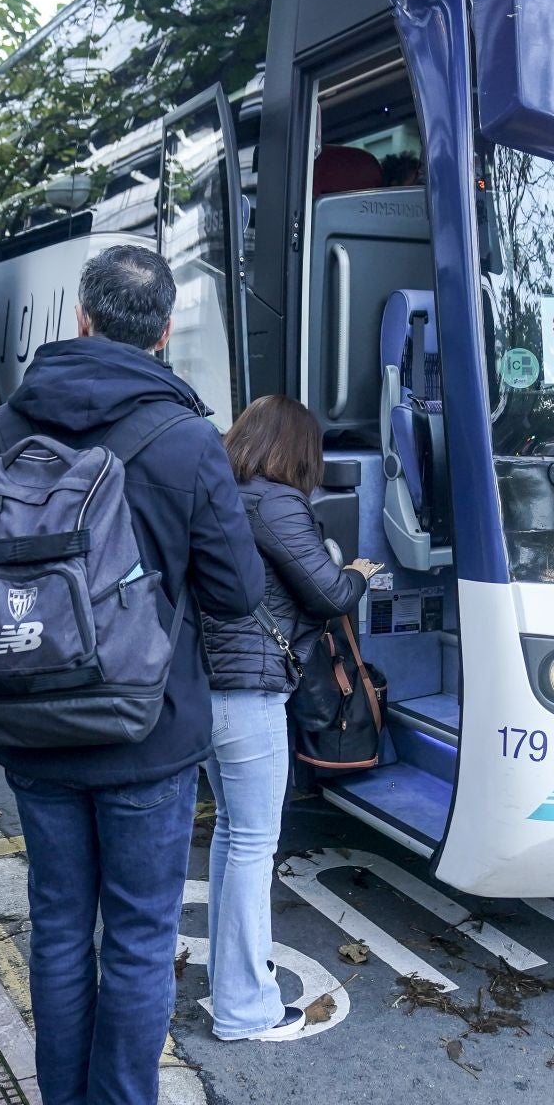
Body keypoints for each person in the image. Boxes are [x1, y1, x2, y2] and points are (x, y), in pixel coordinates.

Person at [0, 243, 264, 1105]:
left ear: (80, 317)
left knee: (61, 930)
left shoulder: (2, 428)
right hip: (148, 734)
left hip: (33, 731)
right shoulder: (187, 438)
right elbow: (235, 597)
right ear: (165, 331)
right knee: (142, 941)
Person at [201, 396, 381, 1041]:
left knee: (232, 836)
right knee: (252, 844)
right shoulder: (274, 502)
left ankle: (231, 981)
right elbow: (327, 594)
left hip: (205, 685)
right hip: (248, 690)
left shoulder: (217, 489)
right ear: (297, 451)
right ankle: (244, 1009)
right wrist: (357, 573)